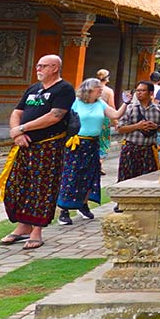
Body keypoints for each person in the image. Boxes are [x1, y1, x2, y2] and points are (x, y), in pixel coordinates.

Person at [0, 55, 75, 250]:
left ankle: (36, 231)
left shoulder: (63, 89)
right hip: (24, 146)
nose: (38, 68)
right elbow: (17, 111)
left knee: (41, 188)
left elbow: (55, 116)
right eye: (37, 65)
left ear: (55, 68)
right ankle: (22, 226)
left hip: (48, 146)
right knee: (17, 185)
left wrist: (23, 129)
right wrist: (17, 133)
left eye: (43, 66)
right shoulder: (33, 89)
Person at [57, 77, 122, 224]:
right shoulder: (75, 103)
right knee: (71, 175)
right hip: (77, 143)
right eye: (98, 87)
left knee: (90, 175)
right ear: (89, 89)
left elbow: (116, 115)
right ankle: (64, 210)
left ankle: (83, 204)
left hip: (93, 144)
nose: (101, 89)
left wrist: (128, 103)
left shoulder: (100, 103)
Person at [114, 80, 160, 209]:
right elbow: (120, 128)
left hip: (148, 148)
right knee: (126, 176)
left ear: (150, 93)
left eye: (142, 90)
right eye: (137, 91)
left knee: (147, 178)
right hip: (131, 147)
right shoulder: (130, 108)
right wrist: (137, 126)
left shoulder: (159, 109)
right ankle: (123, 202)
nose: (139, 93)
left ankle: (144, 202)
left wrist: (156, 126)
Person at [95, 69, 115, 173]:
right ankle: (100, 161)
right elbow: (111, 107)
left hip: (91, 118)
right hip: (103, 119)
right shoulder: (108, 91)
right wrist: (115, 121)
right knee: (103, 142)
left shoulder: (91, 88)